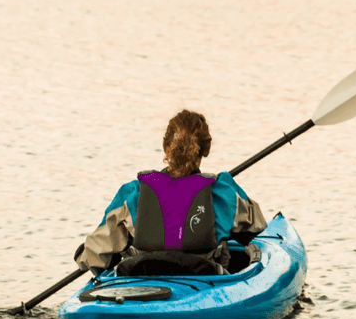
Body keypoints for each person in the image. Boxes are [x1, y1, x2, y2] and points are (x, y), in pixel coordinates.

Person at [75, 110, 267, 276]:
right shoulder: (222, 192)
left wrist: (83, 256)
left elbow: (96, 255)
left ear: (166, 147)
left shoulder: (135, 194)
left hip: (145, 279)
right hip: (204, 280)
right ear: (205, 150)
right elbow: (257, 227)